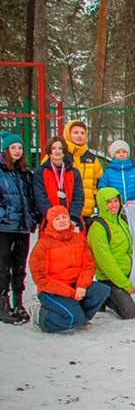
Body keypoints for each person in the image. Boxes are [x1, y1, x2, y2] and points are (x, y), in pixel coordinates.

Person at [28, 206, 111, 333]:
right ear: (51, 222)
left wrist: (82, 286)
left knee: (102, 290)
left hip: (76, 286)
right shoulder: (43, 245)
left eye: (64, 217)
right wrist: (70, 293)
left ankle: (82, 318)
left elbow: (89, 264)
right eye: (57, 219)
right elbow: (41, 279)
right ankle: (41, 317)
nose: (62, 221)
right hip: (52, 291)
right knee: (73, 319)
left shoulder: (79, 238)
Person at [0, 133, 38, 324]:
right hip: (5, 227)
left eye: (20, 148)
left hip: (22, 226)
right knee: (3, 266)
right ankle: (3, 304)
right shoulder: (1, 171)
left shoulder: (25, 174)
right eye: (13, 147)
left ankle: (18, 302)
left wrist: (31, 217)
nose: (17, 151)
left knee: (19, 266)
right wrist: (4, 215)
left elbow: (31, 198)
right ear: (6, 149)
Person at [88, 187, 135, 320]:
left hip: (126, 273)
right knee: (129, 313)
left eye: (116, 201)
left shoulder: (121, 221)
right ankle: (105, 296)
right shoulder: (98, 228)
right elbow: (106, 262)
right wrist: (125, 284)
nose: (114, 205)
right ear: (102, 204)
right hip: (110, 278)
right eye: (109, 202)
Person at [34, 136, 85, 230]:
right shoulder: (40, 172)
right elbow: (40, 197)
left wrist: (72, 218)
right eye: (53, 148)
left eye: (60, 148)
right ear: (49, 151)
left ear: (64, 151)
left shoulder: (74, 172)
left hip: (71, 222)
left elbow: (78, 196)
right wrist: (54, 218)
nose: (57, 151)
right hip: (49, 222)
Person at [60, 120, 103, 222]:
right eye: (75, 132)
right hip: (63, 211)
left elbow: (98, 184)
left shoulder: (92, 159)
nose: (79, 136)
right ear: (68, 134)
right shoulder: (59, 154)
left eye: (82, 133)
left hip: (86, 212)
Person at [98, 140, 135, 205]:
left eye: (124, 152)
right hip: (114, 211)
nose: (121, 154)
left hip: (133, 210)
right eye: (118, 152)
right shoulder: (108, 174)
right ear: (114, 155)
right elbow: (102, 193)